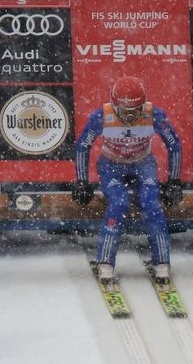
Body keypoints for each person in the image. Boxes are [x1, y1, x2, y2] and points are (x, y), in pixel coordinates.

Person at [72, 77, 184, 284]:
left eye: (136, 111)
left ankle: (162, 263)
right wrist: (81, 181)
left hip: (143, 164)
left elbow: (174, 144)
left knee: (151, 204)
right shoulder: (102, 117)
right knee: (118, 203)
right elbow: (82, 145)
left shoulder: (154, 116)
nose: (130, 117)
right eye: (124, 112)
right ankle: (105, 263)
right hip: (111, 165)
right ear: (114, 106)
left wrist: (174, 180)